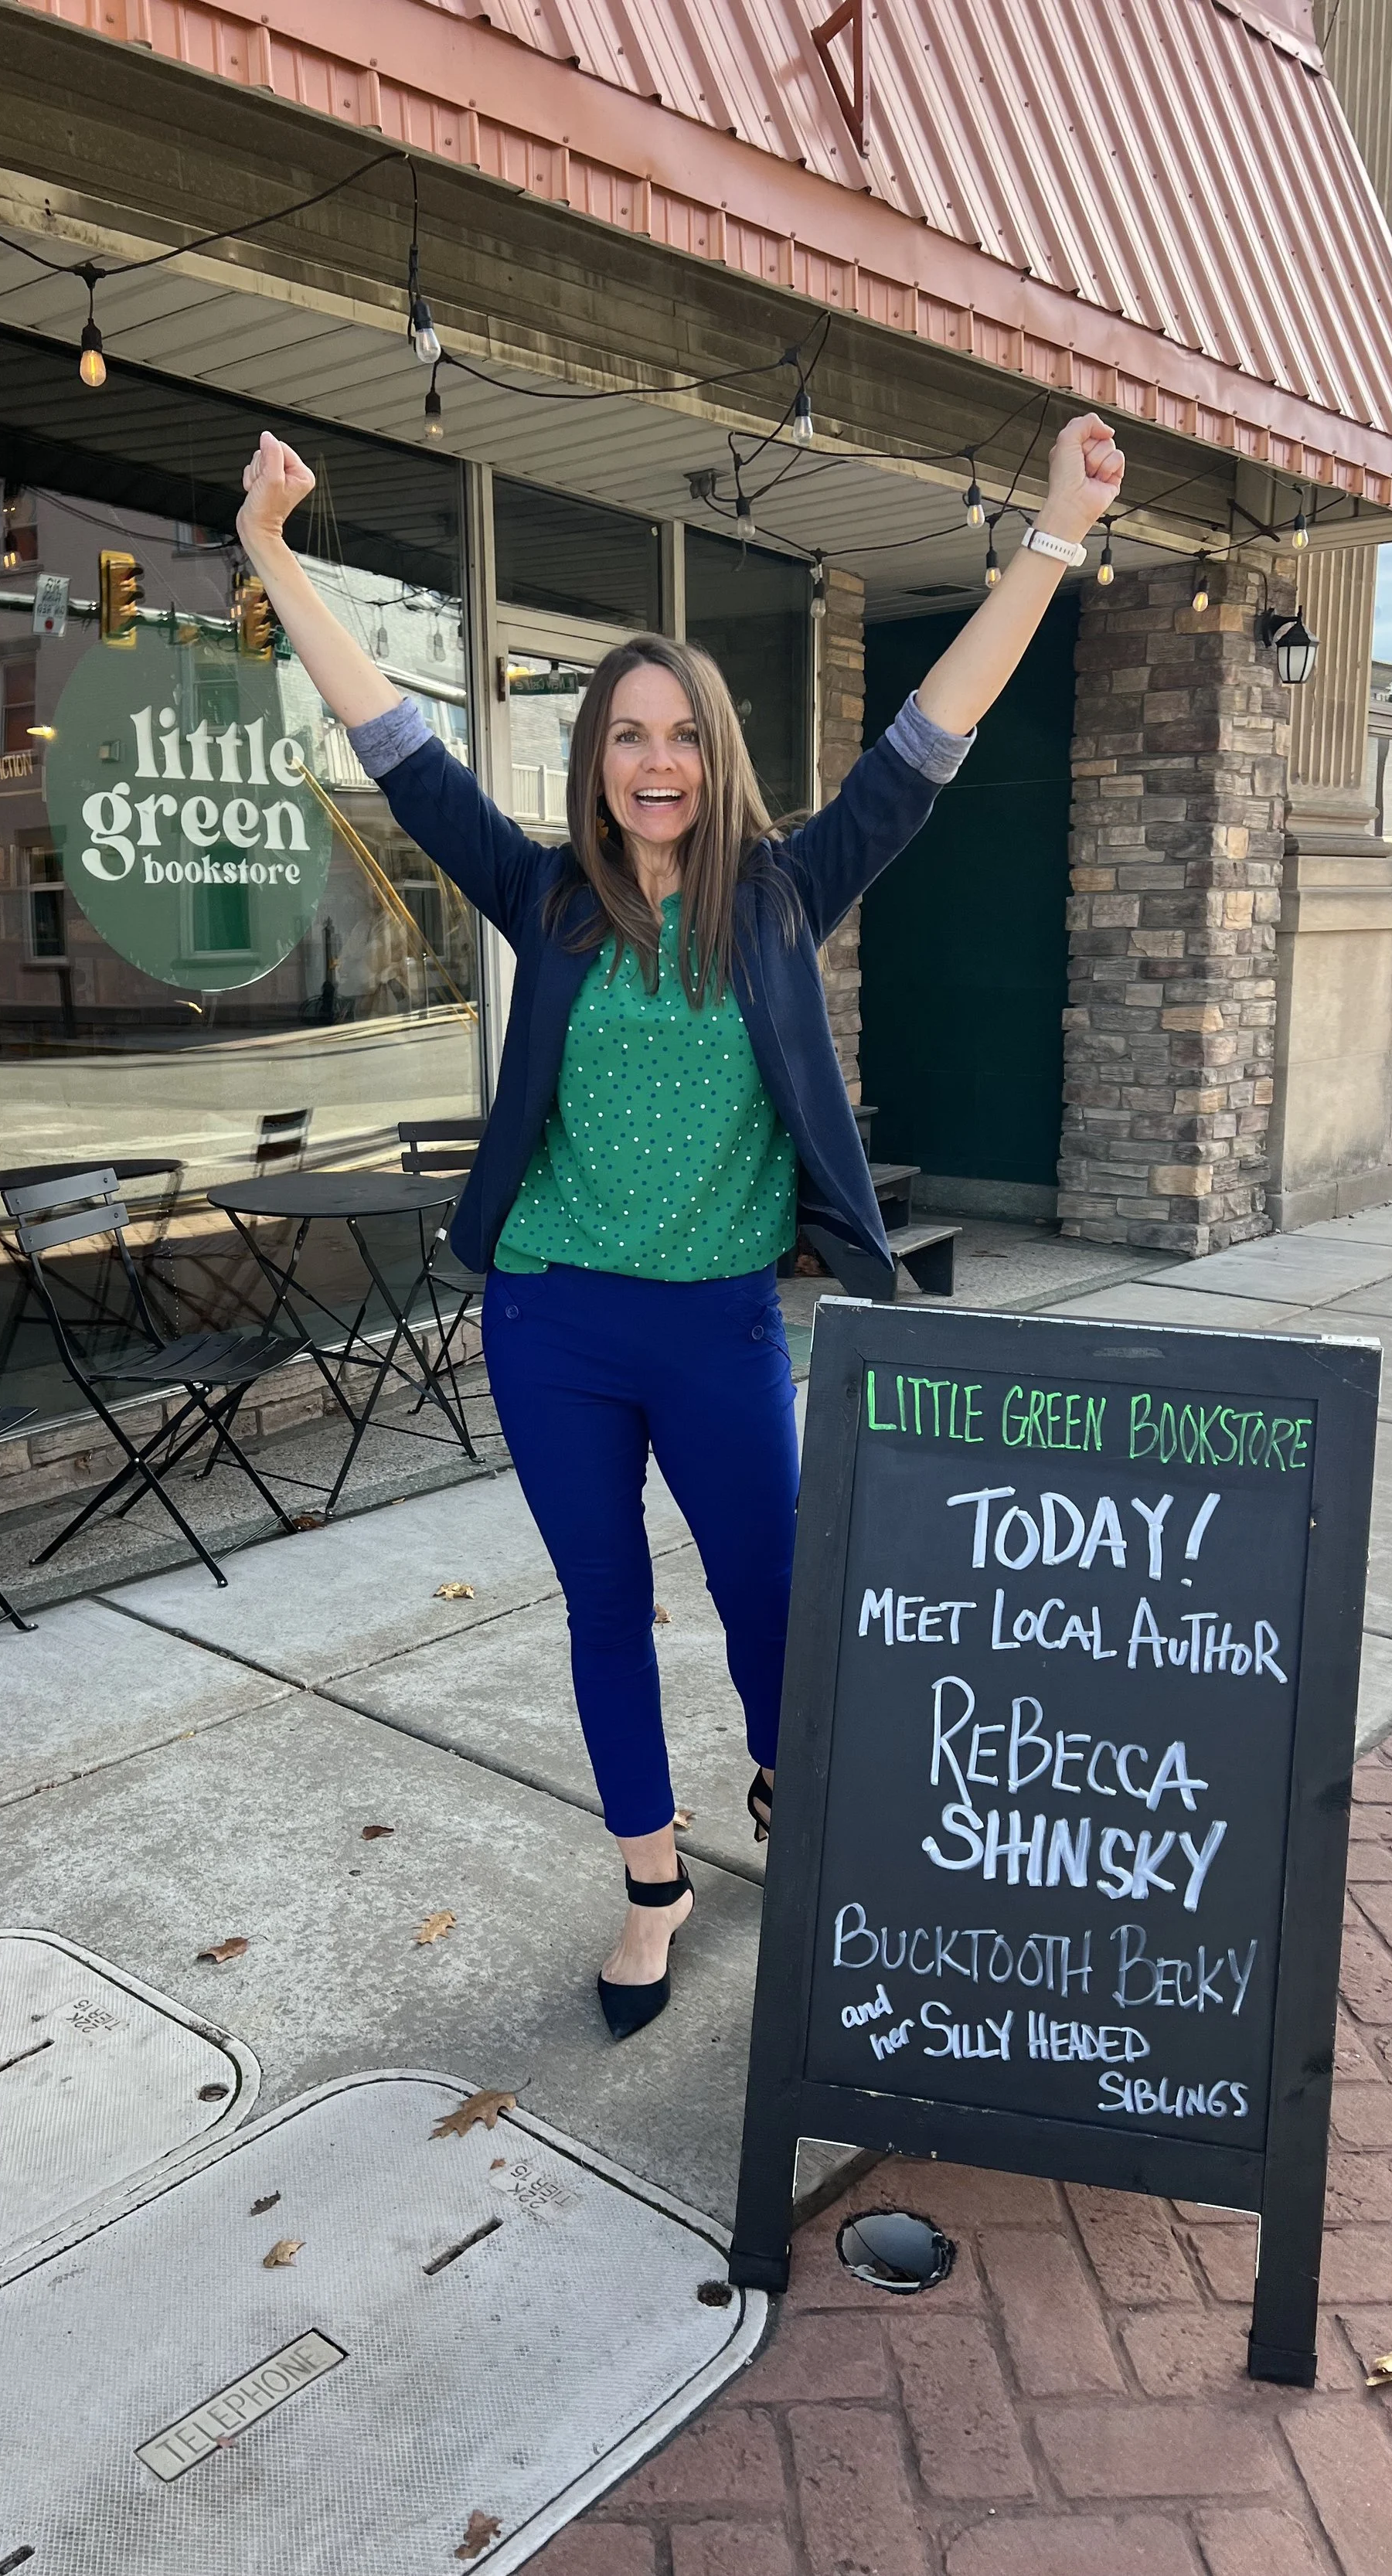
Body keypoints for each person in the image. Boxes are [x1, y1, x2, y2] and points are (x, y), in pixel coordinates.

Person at [237, 413, 1125, 2039]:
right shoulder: (545, 899)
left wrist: (1056, 531)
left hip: (718, 1324)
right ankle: (653, 1884)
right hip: (554, 1320)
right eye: (627, 736)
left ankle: (789, 1786)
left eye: (683, 737)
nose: (657, 763)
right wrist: (273, 556)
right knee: (605, 1611)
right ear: (595, 760)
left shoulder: (784, 894)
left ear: (717, 758)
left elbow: (935, 726)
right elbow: (394, 739)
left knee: (770, 1600)